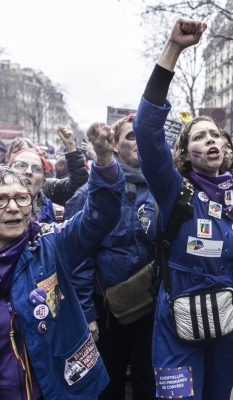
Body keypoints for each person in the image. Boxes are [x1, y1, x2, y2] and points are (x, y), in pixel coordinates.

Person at [0, 122, 126, 399]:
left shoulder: (52, 246)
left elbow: (100, 216)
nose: (14, 207)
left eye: (22, 198)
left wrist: (103, 160)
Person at [133, 18, 233, 399]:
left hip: (227, 321)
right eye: (199, 136)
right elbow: (145, 129)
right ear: (185, 153)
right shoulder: (174, 189)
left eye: (215, 134)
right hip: (177, 323)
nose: (210, 140)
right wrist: (173, 49)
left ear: (227, 146)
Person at [66, 114, 157, 400]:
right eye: (131, 136)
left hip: (153, 307)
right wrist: (87, 313)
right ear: (114, 146)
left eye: (144, 136)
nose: (139, 142)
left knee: (149, 381)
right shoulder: (89, 194)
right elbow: (78, 258)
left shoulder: (162, 189)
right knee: (109, 384)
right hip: (106, 311)